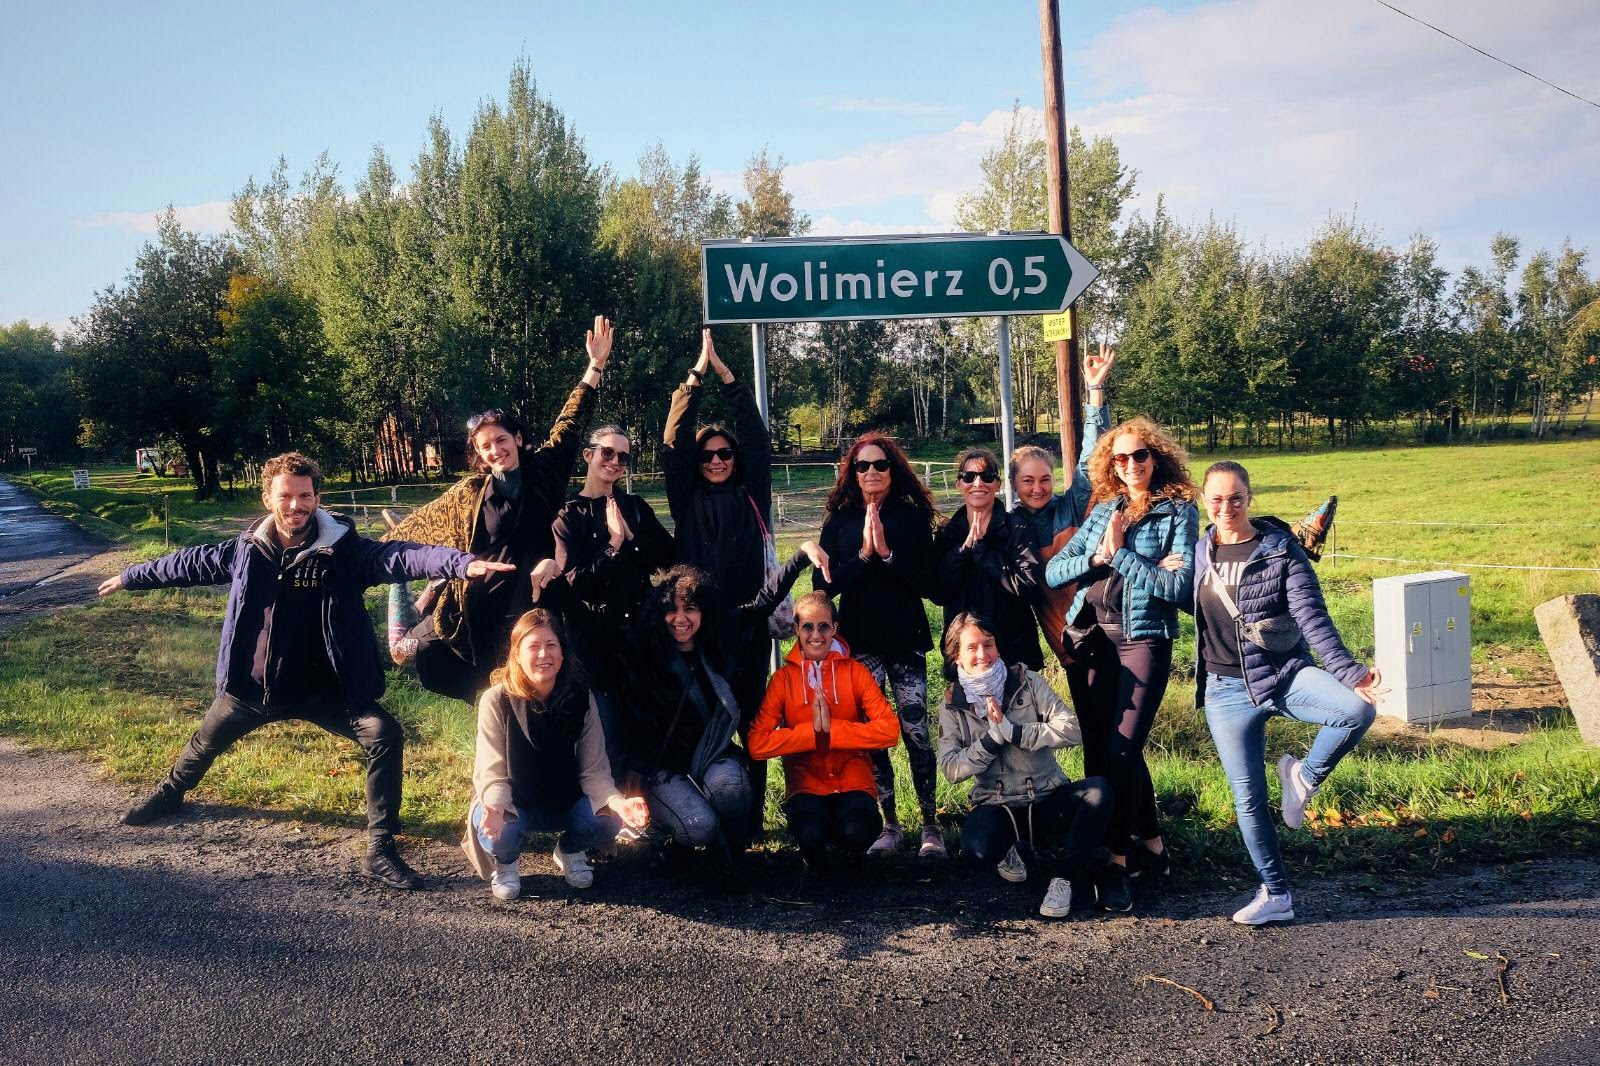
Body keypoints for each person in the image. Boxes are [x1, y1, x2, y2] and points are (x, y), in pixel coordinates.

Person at [99, 451, 516, 890]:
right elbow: (188, 564)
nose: (296, 505)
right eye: (286, 496)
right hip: (254, 689)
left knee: (384, 735)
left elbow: (403, 556)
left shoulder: (345, 551)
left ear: (317, 498)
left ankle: (380, 848)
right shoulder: (247, 550)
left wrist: (459, 563)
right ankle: (170, 794)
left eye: (305, 496)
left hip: (327, 692)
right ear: (268, 498)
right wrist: (131, 576)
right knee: (204, 743)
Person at [383, 316, 615, 702]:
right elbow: (417, 527)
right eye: (485, 446)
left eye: (501, 440)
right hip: (478, 604)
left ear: (517, 438)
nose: (496, 450)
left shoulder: (545, 470)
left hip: (533, 599)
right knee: (417, 654)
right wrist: (361, 548)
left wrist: (595, 366)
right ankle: (413, 615)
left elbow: (571, 423)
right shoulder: (469, 493)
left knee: (536, 681)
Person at [1193, 461, 1384, 926]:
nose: (1226, 507)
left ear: (1249, 498)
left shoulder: (1281, 551)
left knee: (1355, 710)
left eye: (1235, 498)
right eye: (1216, 499)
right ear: (1204, 500)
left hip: (1281, 675)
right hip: (1224, 691)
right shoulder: (1200, 550)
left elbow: (1312, 617)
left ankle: (1303, 777)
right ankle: (1276, 894)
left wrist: (1350, 672)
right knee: (1249, 800)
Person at [1045, 416, 1198, 911]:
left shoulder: (1178, 512)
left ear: (1157, 458)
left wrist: (1121, 556)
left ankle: (1117, 861)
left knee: (1125, 751)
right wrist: (1098, 558)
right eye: (1121, 457)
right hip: (1090, 637)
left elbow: (1177, 588)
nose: (1131, 464)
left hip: (1142, 639)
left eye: (1140, 455)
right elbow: (1055, 571)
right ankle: (1147, 842)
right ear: (1111, 464)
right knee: (1099, 752)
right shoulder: (1104, 508)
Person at [613, 543, 829, 873]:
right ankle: (676, 840)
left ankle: (729, 848)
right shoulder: (645, 653)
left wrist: (800, 556)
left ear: (704, 612)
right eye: (671, 610)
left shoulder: (717, 639)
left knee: (732, 786)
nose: (681, 619)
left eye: (690, 609)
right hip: (663, 767)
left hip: (711, 754)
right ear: (659, 613)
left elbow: (763, 603)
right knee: (698, 824)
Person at [814, 433, 944, 858]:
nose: (871, 472)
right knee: (872, 736)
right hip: (861, 644)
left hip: (906, 642)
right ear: (852, 473)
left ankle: (931, 824)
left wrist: (887, 554)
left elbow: (929, 584)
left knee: (916, 732)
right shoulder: (840, 520)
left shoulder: (912, 517)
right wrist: (865, 556)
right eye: (863, 465)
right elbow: (823, 585)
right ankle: (889, 823)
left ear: (893, 470)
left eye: (880, 464)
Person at [462, 608, 650, 901]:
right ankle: (506, 862)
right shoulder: (496, 699)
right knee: (498, 834)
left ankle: (570, 850)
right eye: (533, 646)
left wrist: (618, 802)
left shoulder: (582, 698)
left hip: (565, 800)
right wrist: (494, 808)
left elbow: (594, 771)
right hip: (512, 803)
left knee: (608, 821)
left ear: (563, 653)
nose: (543, 654)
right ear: (517, 654)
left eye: (551, 645)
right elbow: (491, 770)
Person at [662, 328, 776, 805]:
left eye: (724, 453)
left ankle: (751, 815)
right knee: (699, 717)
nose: (715, 460)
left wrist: (729, 379)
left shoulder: (753, 495)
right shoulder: (686, 499)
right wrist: (693, 380)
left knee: (752, 720)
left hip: (748, 626)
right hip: (698, 626)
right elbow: (674, 444)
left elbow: (755, 440)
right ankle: (701, 808)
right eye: (707, 455)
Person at [938, 612, 1112, 918]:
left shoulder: (1027, 680)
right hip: (997, 804)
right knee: (977, 849)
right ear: (956, 656)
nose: (982, 654)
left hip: (1045, 797)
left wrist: (1016, 733)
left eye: (988, 644)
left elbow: (1072, 730)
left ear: (998, 646)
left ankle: (1064, 878)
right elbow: (951, 768)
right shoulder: (952, 702)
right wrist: (992, 740)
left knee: (1098, 792)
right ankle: (1011, 850)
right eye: (971, 647)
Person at [747, 591, 901, 872]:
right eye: (807, 626)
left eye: (824, 626)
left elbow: (889, 730)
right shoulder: (783, 679)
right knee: (810, 833)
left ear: (834, 629)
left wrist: (833, 732)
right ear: (796, 629)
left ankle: (851, 850)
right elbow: (757, 744)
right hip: (806, 783)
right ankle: (815, 855)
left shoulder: (855, 672)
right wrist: (812, 734)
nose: (816, 635)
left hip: (853, 780)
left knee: (857, 830)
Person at [1010, 343, 1115, 663]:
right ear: (1013, 483)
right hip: (1064, 644)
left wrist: (1095, 389)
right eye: (1028, 481)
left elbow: (1091, 458)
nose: (1037, 489)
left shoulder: (1068, 507)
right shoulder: (1009, 524)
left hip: (1099, 630)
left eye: (1044, 479)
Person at [552, 424, 675, 678]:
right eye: (607, 453)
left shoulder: (635, 507)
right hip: (591, 639)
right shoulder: (567, 514)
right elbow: (575, 583)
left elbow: (668, 560)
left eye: (623, 457)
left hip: (640, 633)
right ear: (589, 455)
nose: (615, 461)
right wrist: (614, 544)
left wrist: (632, 537)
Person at [934, 447, 1045, 672]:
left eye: (986, 476)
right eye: (968, 477)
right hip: (964, 654)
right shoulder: (948, 533)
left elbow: (1028, 587)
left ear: (998, 484)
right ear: (958, 484)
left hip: (1013, 651)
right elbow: (937, 592)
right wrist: (963, 551)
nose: (978, 483)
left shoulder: (1018, 528)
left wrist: (982, 550)